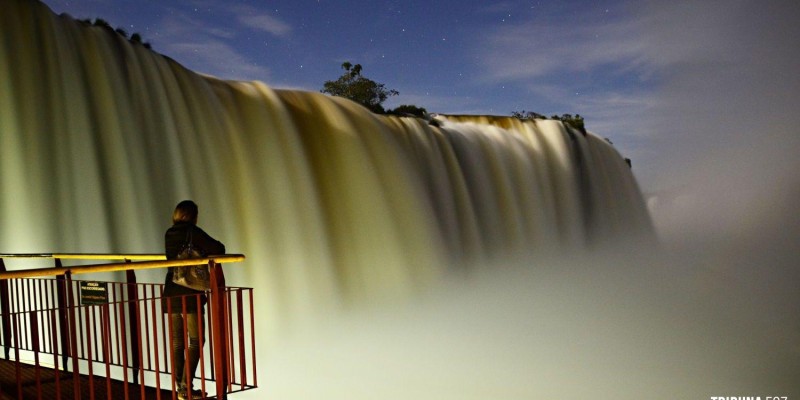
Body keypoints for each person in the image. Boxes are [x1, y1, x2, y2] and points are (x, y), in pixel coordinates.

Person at [162, 200, 225, 400]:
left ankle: (181, 389)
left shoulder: (169, 233)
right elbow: (219, 248)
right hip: (190, 294)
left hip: (171, 292)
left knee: (177, 342)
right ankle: (185, 387)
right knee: (197, 341)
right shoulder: (193, 232)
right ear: (193, 216)